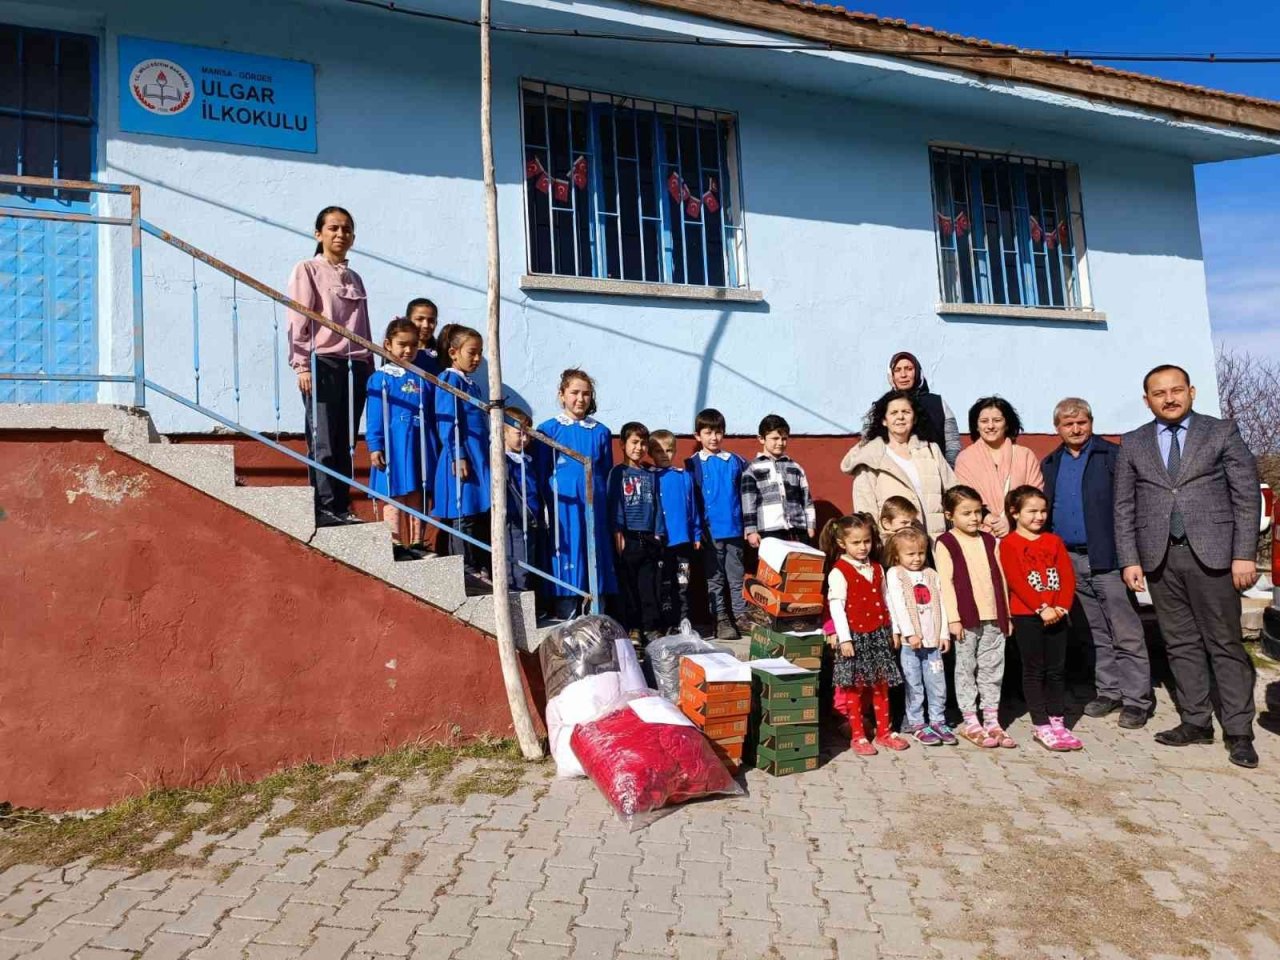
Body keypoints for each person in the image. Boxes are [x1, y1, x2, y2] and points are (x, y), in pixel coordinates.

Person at [1114, 364, 1262, 769]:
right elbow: (1124, 506)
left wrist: (1243, 554)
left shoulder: (1221, 432)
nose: (1169, 398)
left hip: (1215, 557)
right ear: (1147, 400)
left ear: (1192, 392)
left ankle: (1238, 731)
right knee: (1179, 643)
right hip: (1161, 559)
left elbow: (1247, 497)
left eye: (1176, 390)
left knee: (1225, 644)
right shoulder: (1134, 442)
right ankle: (1196, 721)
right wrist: (1130, 558)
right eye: (1159, 393)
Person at [1042, 397, 1153, 729]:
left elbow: (1132, 506)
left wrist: (1131, 557)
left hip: (1108, 557)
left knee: (1126, 630)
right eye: (1068, 424)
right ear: (1057, 428)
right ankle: (1109, 691)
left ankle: (1137, 700)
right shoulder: (1051, 463)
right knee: (1095, 631)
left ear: (1091, 422)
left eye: (1082, 422)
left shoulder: (1112, 457)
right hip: (1070, 558)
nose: (1076, 429)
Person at [286, 206, 373, 527]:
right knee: (322, 436)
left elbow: (363, 325)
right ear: (318, 233)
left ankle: (341, 501)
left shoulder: (355, 277)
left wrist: (370, 366)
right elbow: (298, 318)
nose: (340, 234)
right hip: (321, 362)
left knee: (345, 439)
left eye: (347, 229)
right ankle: (323, 504)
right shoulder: (307, 269)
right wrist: (301, 365)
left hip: (356, 366)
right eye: (333, 228)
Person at [999, 486, 1084, 752]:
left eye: (1043, 510)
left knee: (1057, 670)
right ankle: (1041, 724)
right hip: (1028, 616)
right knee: (1034, 670)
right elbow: (1016, 581)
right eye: (1032, 511)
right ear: (1014, 513)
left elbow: (1067, 577)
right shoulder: (1009, 544)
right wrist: (1041, 607)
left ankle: (1058, 721)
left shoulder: (1054, 541)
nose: (1039, 516)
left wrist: (1061, 607)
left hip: (1057, 615)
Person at [821, 514, 908, 756]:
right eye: (856, 542)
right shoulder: (839, 571)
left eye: (866, 541)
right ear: (842, 544)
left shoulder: (878, 568)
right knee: (854, 688)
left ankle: (884, 732)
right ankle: (858, 735)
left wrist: (895, 629)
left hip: (879, 634)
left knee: (881, 686)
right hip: (855, 637)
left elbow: (887, 599)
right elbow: (837, 606)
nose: (862, 547)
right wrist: (845, 638)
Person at [936, 485, 1015, 749]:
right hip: (966, 620)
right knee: (966, 669)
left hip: (994, 617)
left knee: (993, 669)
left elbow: (1001, 578)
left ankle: (992, 719)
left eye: (977, 512)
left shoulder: (990, 540)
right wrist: (953, 619)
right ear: (950, 515)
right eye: (966, 513)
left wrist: (1007, 613)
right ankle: (971, 720)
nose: (974, 518)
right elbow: (945, 583)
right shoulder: (946, 542)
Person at [536, 369, 616, 621]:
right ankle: (566, 616)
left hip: (594, 506)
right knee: (568, 554)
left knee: (596, 554)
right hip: (564, 507)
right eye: (574, 393)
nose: (580, 399)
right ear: (562, 395)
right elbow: (541, 471)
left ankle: (597, 617)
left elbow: (605, 470)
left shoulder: (600, 431)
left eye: (586, 394)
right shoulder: (548, 429)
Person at [841, 390, 956, 538]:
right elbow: (865, 509)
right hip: (895, 548)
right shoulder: (870, 457)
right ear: (884, 420)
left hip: (935, 545)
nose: (900, 417)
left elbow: (953, 492)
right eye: (894, 412)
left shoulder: (930, 450)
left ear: (914, 418)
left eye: (906, 412)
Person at [366, 318, 433, 562]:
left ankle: (417, 541)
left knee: (417, 492)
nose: (408, 351)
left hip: (418, 444)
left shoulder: (422, 378)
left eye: (413, 345)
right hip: (393, 444)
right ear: (387, 344)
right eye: (402, 344)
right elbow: (374, 416)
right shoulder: (381, 378)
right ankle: (394, 542)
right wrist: (375, 445)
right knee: (393, 493)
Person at [884, 526, 955, 746]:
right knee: (914, 683)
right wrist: (909, 633)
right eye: (911, 554)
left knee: (936, 683)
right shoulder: (896, 573)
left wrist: (944, 634)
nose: (917, 558)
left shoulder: (932, 575)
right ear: (897, 555)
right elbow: (897, 605)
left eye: (921, 553)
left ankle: (937, 719)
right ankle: (916, 722)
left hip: (933, 642)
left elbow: (942, 605)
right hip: (910, 644)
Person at [432, 326, 491, 581]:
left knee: (477, 511)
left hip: (478, 455)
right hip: (463, 456)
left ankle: (477, 564)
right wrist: (458, 453)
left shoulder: (472, 384)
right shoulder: (449, 379)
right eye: (472, 352)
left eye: (480, 353)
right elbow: (448, 419)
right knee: (462, 511)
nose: (477, 358)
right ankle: (464, 567)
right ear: (454, 353)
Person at [686, 408, 749, 640]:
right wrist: (696, 530)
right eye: (708, 432)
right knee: (715, 578)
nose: (714, 437)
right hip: (709, 533)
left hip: (734, 529)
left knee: (736, 575)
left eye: (718, 432)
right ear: (697, 436)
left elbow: (748, 494)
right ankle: (721, 619)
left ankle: (741, 617)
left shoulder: (737, 462)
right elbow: (690, 500)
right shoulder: (692, 465)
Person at [608, 422, 666, 641]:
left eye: (643, 443)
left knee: (648, 587)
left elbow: (658, 505)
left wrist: (658, 532)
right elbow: (616, 503)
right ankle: (633, 628)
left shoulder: (650, 474)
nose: (639, 447)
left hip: (649, 537)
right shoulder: (618, 473)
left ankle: (651, 627)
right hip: (628, 537)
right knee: (629, 588)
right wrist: (618, 533)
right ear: (622, 444)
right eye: (634, 442)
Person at [954, 396, 1044, 537]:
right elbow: (962, 498)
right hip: (979, 535)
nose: (990, 426)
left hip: (1020, 534)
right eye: (984, 421)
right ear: (976, 426)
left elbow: (1035, 496)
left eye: (997, 420)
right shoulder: (965, 459)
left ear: (1007, 424)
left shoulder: (1024, 455)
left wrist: (1010, 520)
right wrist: (989, 519)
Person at [650, 429, 701, 630]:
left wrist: (696, 533)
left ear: (675, 451)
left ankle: (684, 619)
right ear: (650, 453)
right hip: (660, 543)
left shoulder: (684, 476)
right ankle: (666, 622)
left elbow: (692, 508)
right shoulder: (649, 477)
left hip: (682, 542)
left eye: (669, 450)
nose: (664, 455)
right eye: (658, 451)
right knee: (663, 583)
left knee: (683, 582)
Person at [741, 414, 816, 547]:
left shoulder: (795, 467)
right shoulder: (752, 469)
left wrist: (810, 525)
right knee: (773, 567)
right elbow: (748, 503)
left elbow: (806, 499)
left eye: (784, 439)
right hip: (769, 530)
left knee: (798, 567)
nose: (780, 443)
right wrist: (751, 530)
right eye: (775, 438)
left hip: (797, 529)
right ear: (761, 439)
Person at [887, 351, 961, 466]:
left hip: (935, 476)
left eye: (909, 369)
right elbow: (870, 445)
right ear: (891, 375)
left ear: (918, 372)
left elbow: (952, 445)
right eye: (897, 370)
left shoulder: (938, 403)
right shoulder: (882, 406)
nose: (903, 375)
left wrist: (947, 473)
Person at [503, 407, 543, 593]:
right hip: (515, 519)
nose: (524, 439)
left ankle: (527, 598)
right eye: (519, 434)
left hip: (532, 518)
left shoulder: (527, 459)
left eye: (527, 434)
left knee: (529, 561)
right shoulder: (503, 460)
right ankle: (518, 599)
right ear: (503, 432)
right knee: (516, 562)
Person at [405, 298, 441, 377]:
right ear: (408, 320)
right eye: (420, 319)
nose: (426, 325)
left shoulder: (442, 353)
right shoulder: (399, 351)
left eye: (431, 320)